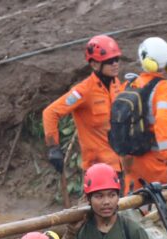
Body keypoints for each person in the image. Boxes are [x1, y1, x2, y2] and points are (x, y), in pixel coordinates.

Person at [43, 35, 124, 181]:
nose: (115, 64)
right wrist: (53, 148)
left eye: (117, 59)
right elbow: (50, 113)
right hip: (98, 168)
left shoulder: (116, 85)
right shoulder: (83, 91)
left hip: (121, 164)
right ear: (94, 64)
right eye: (110, 61)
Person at [123, 37, 167, 192]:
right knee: (160, 208)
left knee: (133, 209)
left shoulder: (129, 84)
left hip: (131, 160)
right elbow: (162, 121)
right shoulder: (164, 87)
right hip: (155, 162)